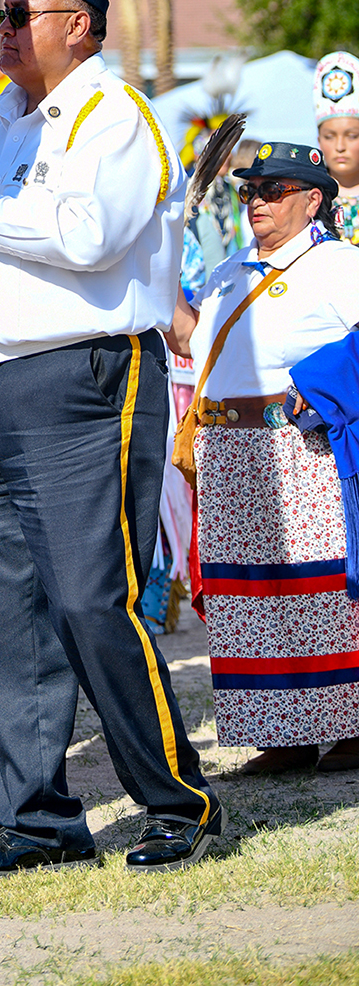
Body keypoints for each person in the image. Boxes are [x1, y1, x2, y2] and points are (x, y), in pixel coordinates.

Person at [0, 0, 223, 877]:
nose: (1, 31)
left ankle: (176, 801)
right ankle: (37, 817)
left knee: (91, 600)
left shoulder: (113, 114)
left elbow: (89, 237)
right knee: (2, 615)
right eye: (1, 14)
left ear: (77, 26)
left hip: (82, 386)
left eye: (19, 16)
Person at [169, 140, 359, 777]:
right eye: (251, 190)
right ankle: (282, 733)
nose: (257, 202)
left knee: (319, 587)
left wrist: (323, 381)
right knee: (248, 594)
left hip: (298, 446)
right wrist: (157, 279)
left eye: (275, 191)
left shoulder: (338, 266)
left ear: (312, 200)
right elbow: (194, 342)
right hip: (228, 448)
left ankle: (350, 727)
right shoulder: (230, 270)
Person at [314, 53, 359, 244]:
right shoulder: (309, 199)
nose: (340, 147)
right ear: (318, 141)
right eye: (329, 137)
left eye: (352, 136)